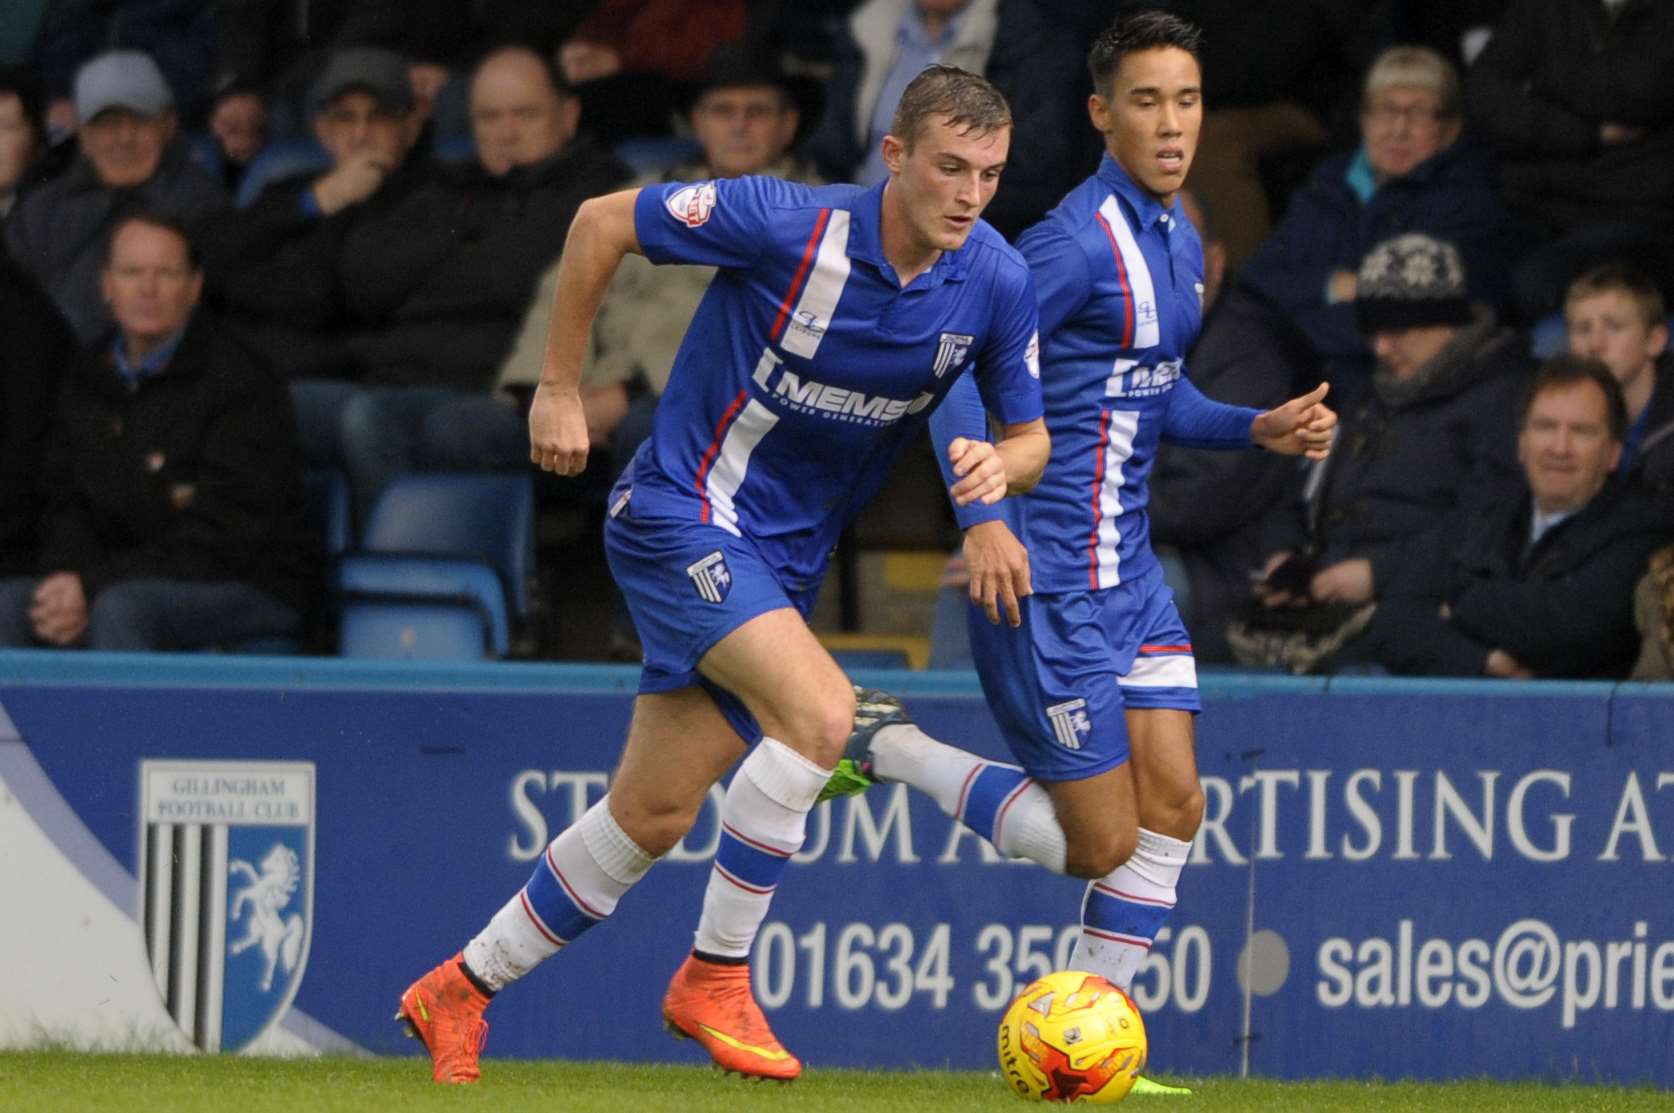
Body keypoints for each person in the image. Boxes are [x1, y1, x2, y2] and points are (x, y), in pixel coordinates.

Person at [394, 65, 1050, 1085]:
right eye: (950, 168)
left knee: (650, 815)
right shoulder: (784, 221)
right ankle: (714, 977)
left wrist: (996, 480)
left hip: (778, 562)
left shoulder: (997, 279)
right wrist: (558, 386)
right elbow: (599, 221)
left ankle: (459, 991)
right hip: (678, 515)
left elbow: (1031, 436)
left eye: (991, 174)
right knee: (824, 716)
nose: (969, 193)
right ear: (894, 157)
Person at [817, 12, 1334, 1094]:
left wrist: (1255, 427)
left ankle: (1098, 1042)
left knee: (1179, 806)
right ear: (1103, 114)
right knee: (1101, 845)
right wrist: (987, 516)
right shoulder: (1063, 243)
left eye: (1187, 100)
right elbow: (952, 361)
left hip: (1130, 581)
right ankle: (889, 740)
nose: (1172, 122)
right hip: (1047, 586)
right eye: (1146, 101)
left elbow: (1148, 394)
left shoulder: (1178, 238)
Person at [295, 44, 629, 519]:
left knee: (373, 421)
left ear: (568, 115)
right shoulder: (445, 184)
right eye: (489, 118)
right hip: (391, 374)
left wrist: (439, 269)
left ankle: (404, 573)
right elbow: (365, 281)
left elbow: (520, 281)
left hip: (491, 390)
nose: (505, 133)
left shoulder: (598, 189)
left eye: (524, 115)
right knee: (268, 406)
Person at [0, 213, 313, 651]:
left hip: (245, 582)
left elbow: (224, 536)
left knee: (121, 608)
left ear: (195, 286)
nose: (147, 289)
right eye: (131, 273)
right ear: (107, 286)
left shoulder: (241, 378)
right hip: (118, 579)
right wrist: (66, 581)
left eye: (166, 273)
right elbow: (63, 500)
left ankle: (115, 724)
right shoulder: (87, 373)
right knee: (11, 605)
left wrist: (90, 585)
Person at [1232, 232, 1527, 672]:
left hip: (1415, 608)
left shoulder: (1503, 400)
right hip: (1326, 602)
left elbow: (1488, 524)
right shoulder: (1368, 397)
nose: (1380, 348)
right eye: (1373, 331)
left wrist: (1376, 575)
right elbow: (1295, 490)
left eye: (1398, 330)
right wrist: (1285, 558)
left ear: (1448, 321)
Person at [1340, 356, 1670, 678]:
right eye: (1545, 427)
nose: (1559, 447)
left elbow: (1569, 629)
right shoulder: (1483, 514)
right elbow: (1393, 619)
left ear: (1613, 453)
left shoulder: (1640, 529)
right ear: (1522, 444)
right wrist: (1483, 662)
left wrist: (1458, 603)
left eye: (1581, 431)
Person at [1231, 44, 1517, 385]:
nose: (1398, 128)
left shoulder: (1467, 202)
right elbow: (1256, 282)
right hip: (1294, 368)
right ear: (1364, 120)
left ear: (1450, 128)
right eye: (1385, 110)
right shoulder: (1327, 189)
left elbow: (1416, 322)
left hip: (1387, 382)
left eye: (1418, 112)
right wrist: (1332, 286)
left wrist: (1290, 328)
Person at [197, 47, 432, 386]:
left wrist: (237, 286)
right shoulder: (299, 191)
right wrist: (315, 202)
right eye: (345, 117)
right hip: (258, 362)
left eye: (378, 116)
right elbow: (201, 252)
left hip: (334, 376)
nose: (360, 134)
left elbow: (318, 299)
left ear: (410, 126)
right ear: (323, 129)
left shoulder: (425, 199)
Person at [803, 0, 1088, 240]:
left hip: (959, 244)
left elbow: (1036, 171)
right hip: (849, 228)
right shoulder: (867, 26)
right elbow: (831, 148)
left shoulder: (1031, 39)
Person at [1465, 0, 1674, 320]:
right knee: (1456, 274)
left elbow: (1638, 95)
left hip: (1634, 211)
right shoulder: (1545, 8)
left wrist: (1535, 99)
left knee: (1534, 284)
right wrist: (1585, 133)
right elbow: (1483, 94)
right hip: (1529, 200)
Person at [4, 49, 229, 344]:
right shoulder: (41, 209)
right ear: (84, 135)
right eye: (108, 123)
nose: (125, 137)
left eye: (139, 120)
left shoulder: (203, 206)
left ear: (168, 125)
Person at [1563, 264, 1674, 499]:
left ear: (1655, 340)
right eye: (1583, 329)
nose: (1595, 344)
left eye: (1614, 327)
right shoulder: (1559, 425)